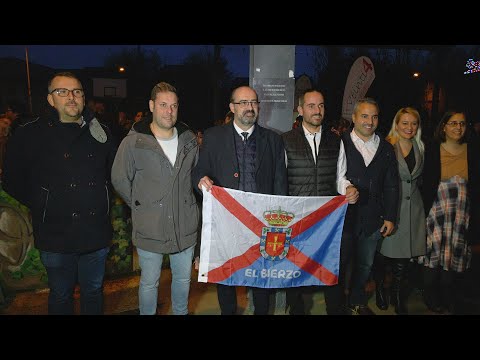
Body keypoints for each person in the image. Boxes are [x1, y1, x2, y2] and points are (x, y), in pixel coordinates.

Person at [2, 72, 116, 315]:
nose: (71, 97)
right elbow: (12, 179)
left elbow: (112, 173)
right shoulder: (29, 133)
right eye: (62, 92)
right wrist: (44, 201)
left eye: (77, 92)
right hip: (55, 234)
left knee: (94, 291)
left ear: (84, 98)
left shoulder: (102, 131)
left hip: (95, 232)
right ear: (51, 100)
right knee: (61, 294)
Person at [192, 85, 288, 315]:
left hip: (261, 225)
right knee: (227, 279)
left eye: (253, 102)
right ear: (232, 107)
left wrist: (278, 222)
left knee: (260, 280)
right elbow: (198, 171)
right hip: (226, 225)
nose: (249, 107)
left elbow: (279, 182)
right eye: (243, 102)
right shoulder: (214, 137)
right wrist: (200, 180)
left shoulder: (273, 140)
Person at [111, 82, 200, 315]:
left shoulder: (189, 140)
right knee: (149, 282)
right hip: (150, 227)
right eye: (163, 105)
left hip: (184, 225)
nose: (169, 111)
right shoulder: (133, 142)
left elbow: (196, 175)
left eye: (173, 106)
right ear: (151, 106)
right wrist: (140, 204)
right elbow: (119, 178)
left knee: (182, 281)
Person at [282, 89, 359, 315]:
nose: (317, 111)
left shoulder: (336, 141)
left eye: (321, 105)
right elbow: (281, 180)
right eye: (312, 106)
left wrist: (349, 189)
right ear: (300, 110)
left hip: (327, 220)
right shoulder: (285, 140)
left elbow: (339, 177)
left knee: (330, 267)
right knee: (294, 268)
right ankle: (295, 309)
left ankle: (334, 309)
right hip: (297, 219)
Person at [342, 97, 399, 315]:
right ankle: (339, 303)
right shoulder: (340, 142)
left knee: (365, 264)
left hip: (374, 218)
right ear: (354, 118)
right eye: (364, 116)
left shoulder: (386, 148)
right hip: (344, 217)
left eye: (374, 116)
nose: (369, 121)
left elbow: (392, 185)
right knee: (342, 262)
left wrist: (391, 216)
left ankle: (357, 301)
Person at [419, 110, 480, 314]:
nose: (458, 127)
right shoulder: (431, 149)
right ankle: (429, 294)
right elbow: (424, 183)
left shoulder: (473, 150)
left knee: (453, 257)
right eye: (453, 123)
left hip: (462, 215)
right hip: (436, 212)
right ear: (443, 126)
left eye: (462, 123)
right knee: (432, 256)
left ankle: (447, 295)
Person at [374, 107, 426, 315]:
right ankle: (379, 288)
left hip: (413, 209)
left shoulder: (420, 147)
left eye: (413, 123)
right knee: (382, 255)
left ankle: (396, 294)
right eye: (404, 123)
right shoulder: (386, 147)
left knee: (404, 258)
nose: (409, 127)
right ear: (396, 124)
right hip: (390, 208)